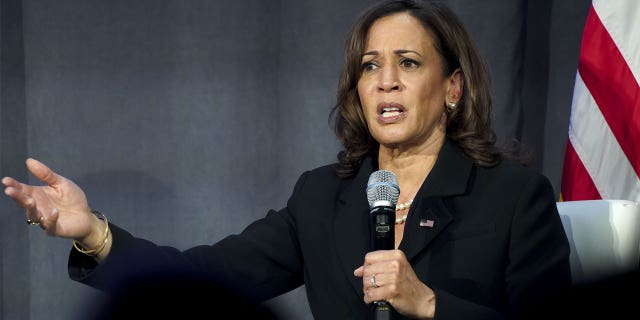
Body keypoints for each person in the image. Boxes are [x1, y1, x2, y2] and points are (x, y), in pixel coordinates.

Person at [2, 0, 571, 319]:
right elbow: (206, 281)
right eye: (371, 66)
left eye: (409, 63)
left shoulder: (514, 197)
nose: (387, 81)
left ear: (452, 88)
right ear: (356, 90)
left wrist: (428, 305)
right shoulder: (324, 197)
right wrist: (94, 233)